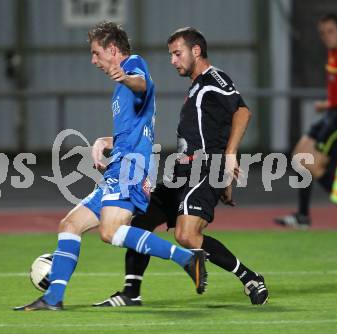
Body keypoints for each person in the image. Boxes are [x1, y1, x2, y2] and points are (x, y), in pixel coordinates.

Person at [14, 22, 208, 311]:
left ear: (112, 50)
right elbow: (135, 128)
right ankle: (53, 298)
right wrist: (105, 140)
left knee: (110, 231)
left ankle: (186, 258)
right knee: (70, 224)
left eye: (96, 53)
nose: (93, 60)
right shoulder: (119, 90)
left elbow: (142, 84)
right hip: (119, 165)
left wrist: (127, 77)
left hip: (132, 168)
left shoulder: (133, 65)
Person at [93, 27, 269, 307]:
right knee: (138, 223)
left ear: (196, 51)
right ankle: (131, 292)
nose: (173, 60)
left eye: (177, 53)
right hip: (182, 173)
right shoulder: (197, 87)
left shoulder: (214, 78)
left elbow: (242, 111)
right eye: (171, 55)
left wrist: (231, 156)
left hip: (205, 169)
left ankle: (250, 278)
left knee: (186, 235)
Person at [276, 13, 337, 231]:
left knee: (313, 165)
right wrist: (326, 104)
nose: (326, 36)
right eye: (323, 33)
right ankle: (305, 216)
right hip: (331, 113)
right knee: (298, 159)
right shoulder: (333, 54)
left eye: (330, 31)